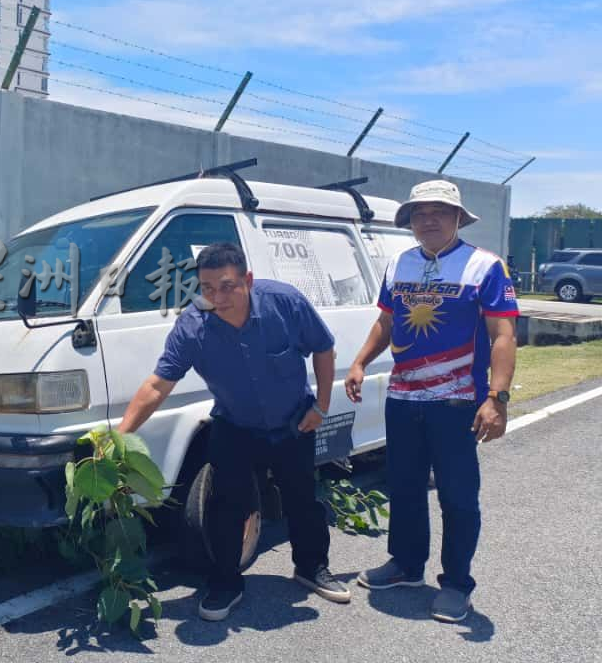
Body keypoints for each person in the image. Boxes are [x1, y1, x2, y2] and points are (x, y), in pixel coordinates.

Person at [118, 242, 350, 622]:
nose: (217, 298)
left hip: (294, 421)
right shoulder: (193, 326)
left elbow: (324, 350)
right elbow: (158, 385)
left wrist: (321, 407)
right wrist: (121, 437)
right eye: (207, 289)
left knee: (302, 498)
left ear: (248, 280)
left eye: (227, 286)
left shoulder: (284, 303)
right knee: (227, 507)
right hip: (235, 427)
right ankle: (226, 582)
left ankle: (311, 567)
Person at [345, 180, 518, 623]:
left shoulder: (485, 266)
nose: (430, 219)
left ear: (459, 217)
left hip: (458, 402)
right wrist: (361, 361)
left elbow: (503, 335)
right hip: (403, 399)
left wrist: (497, 398)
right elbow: (386, 322)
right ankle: (405, 564)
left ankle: (457, 584)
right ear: (411, 221)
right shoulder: (399, 263)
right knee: (403, 487)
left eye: (441, 211)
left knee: (458, 497)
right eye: (421, 213)